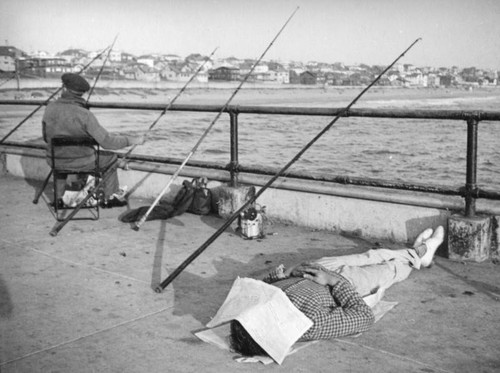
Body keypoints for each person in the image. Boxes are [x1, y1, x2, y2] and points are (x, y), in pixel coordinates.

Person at [229, 226, 445, 358]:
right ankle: (419, 253)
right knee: (389, 270)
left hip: (313, 269)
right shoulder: (309, 325)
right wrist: (334, 281)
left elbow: (263, 283)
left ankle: (415, 253)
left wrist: (286, 273)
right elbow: (363, 317)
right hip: (346, 283)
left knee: (372, 255)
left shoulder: (261, 304)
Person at [42, 73, 145, 208]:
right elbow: (107, 143)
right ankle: (110, 198)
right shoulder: (85, 115)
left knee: (62, 163)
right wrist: (131, 139)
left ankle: (58, 199)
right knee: (111, 158)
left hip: (55, 160)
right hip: (81, 163)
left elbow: (45, 137)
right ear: (81, 94)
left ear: (64, 89)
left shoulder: (49, 108)